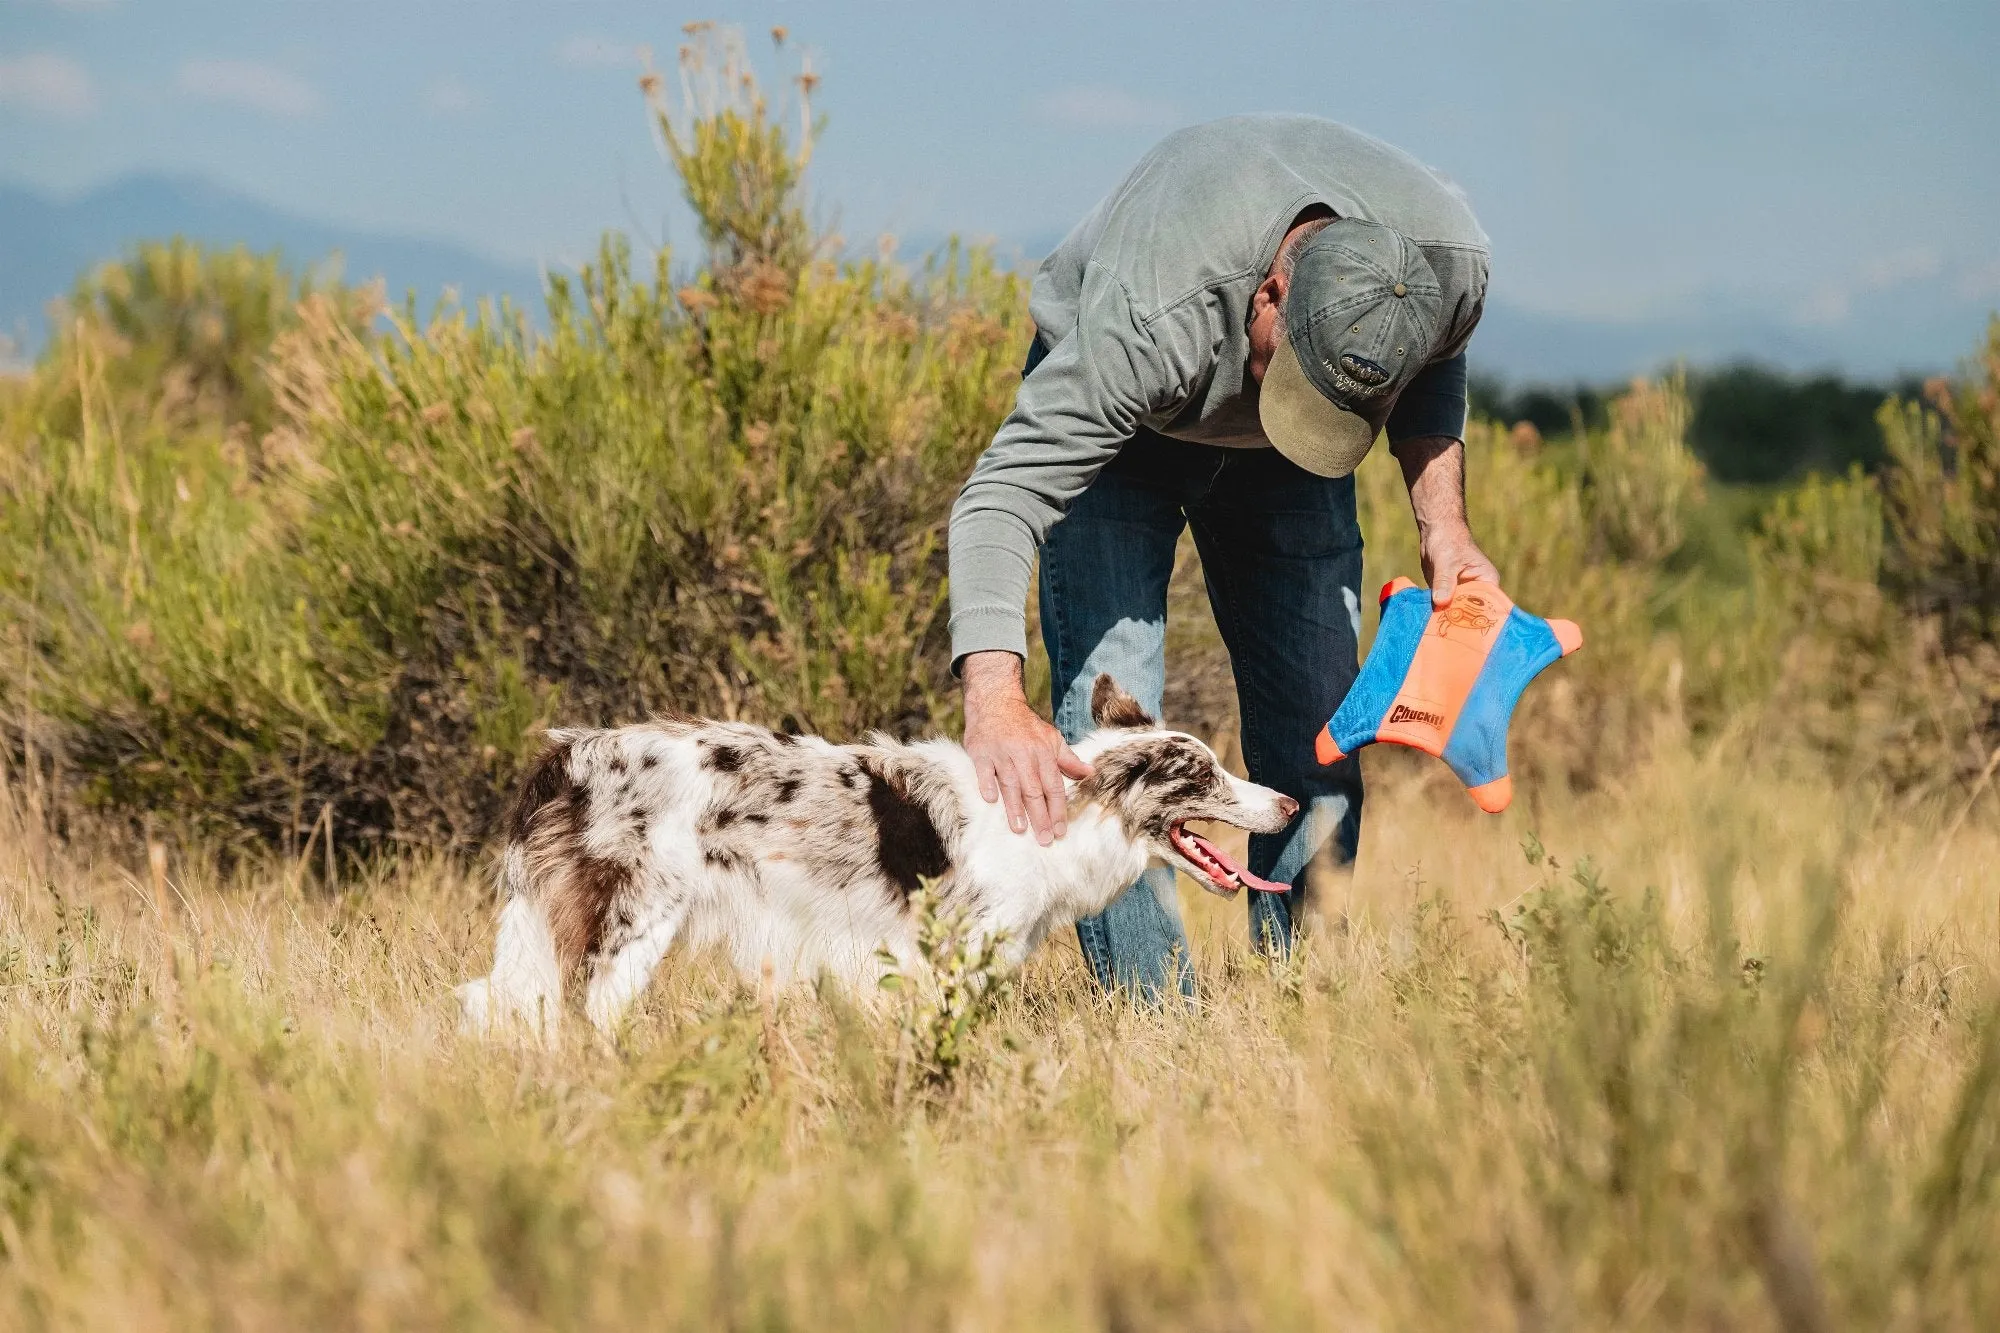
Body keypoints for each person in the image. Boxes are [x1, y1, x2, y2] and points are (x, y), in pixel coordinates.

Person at [946, 114, 1500, 999]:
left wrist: (1445, 528)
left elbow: (1436, 363)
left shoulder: (1447, 264)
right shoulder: (1151, 314)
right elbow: (1000, 496)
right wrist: (995, 699)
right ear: (1272, 294)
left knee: (1322, 721)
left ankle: (1299, 1000)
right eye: (1302, 380)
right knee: (1115, 738)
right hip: (1126, 439)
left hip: (1289, 468)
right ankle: (1155, 1016)